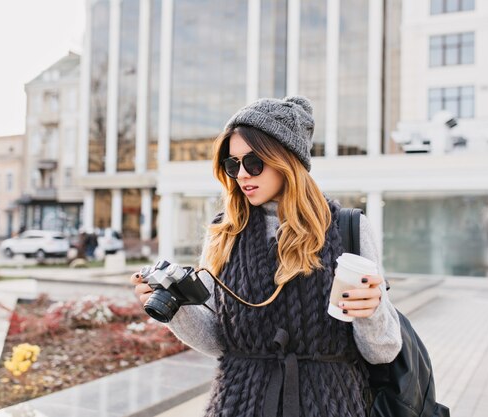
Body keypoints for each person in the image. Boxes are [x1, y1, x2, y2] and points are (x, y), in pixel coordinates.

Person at [131, 96, 402, 417]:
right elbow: (221, 342)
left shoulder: (348, 228)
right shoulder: (223, 232)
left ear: (286, 159)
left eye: (254, 162)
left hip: (330, 404)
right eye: (232, 164)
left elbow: (382, 350)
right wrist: (174, 307)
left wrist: (371, 311)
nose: (242, 174)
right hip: (238, 404)